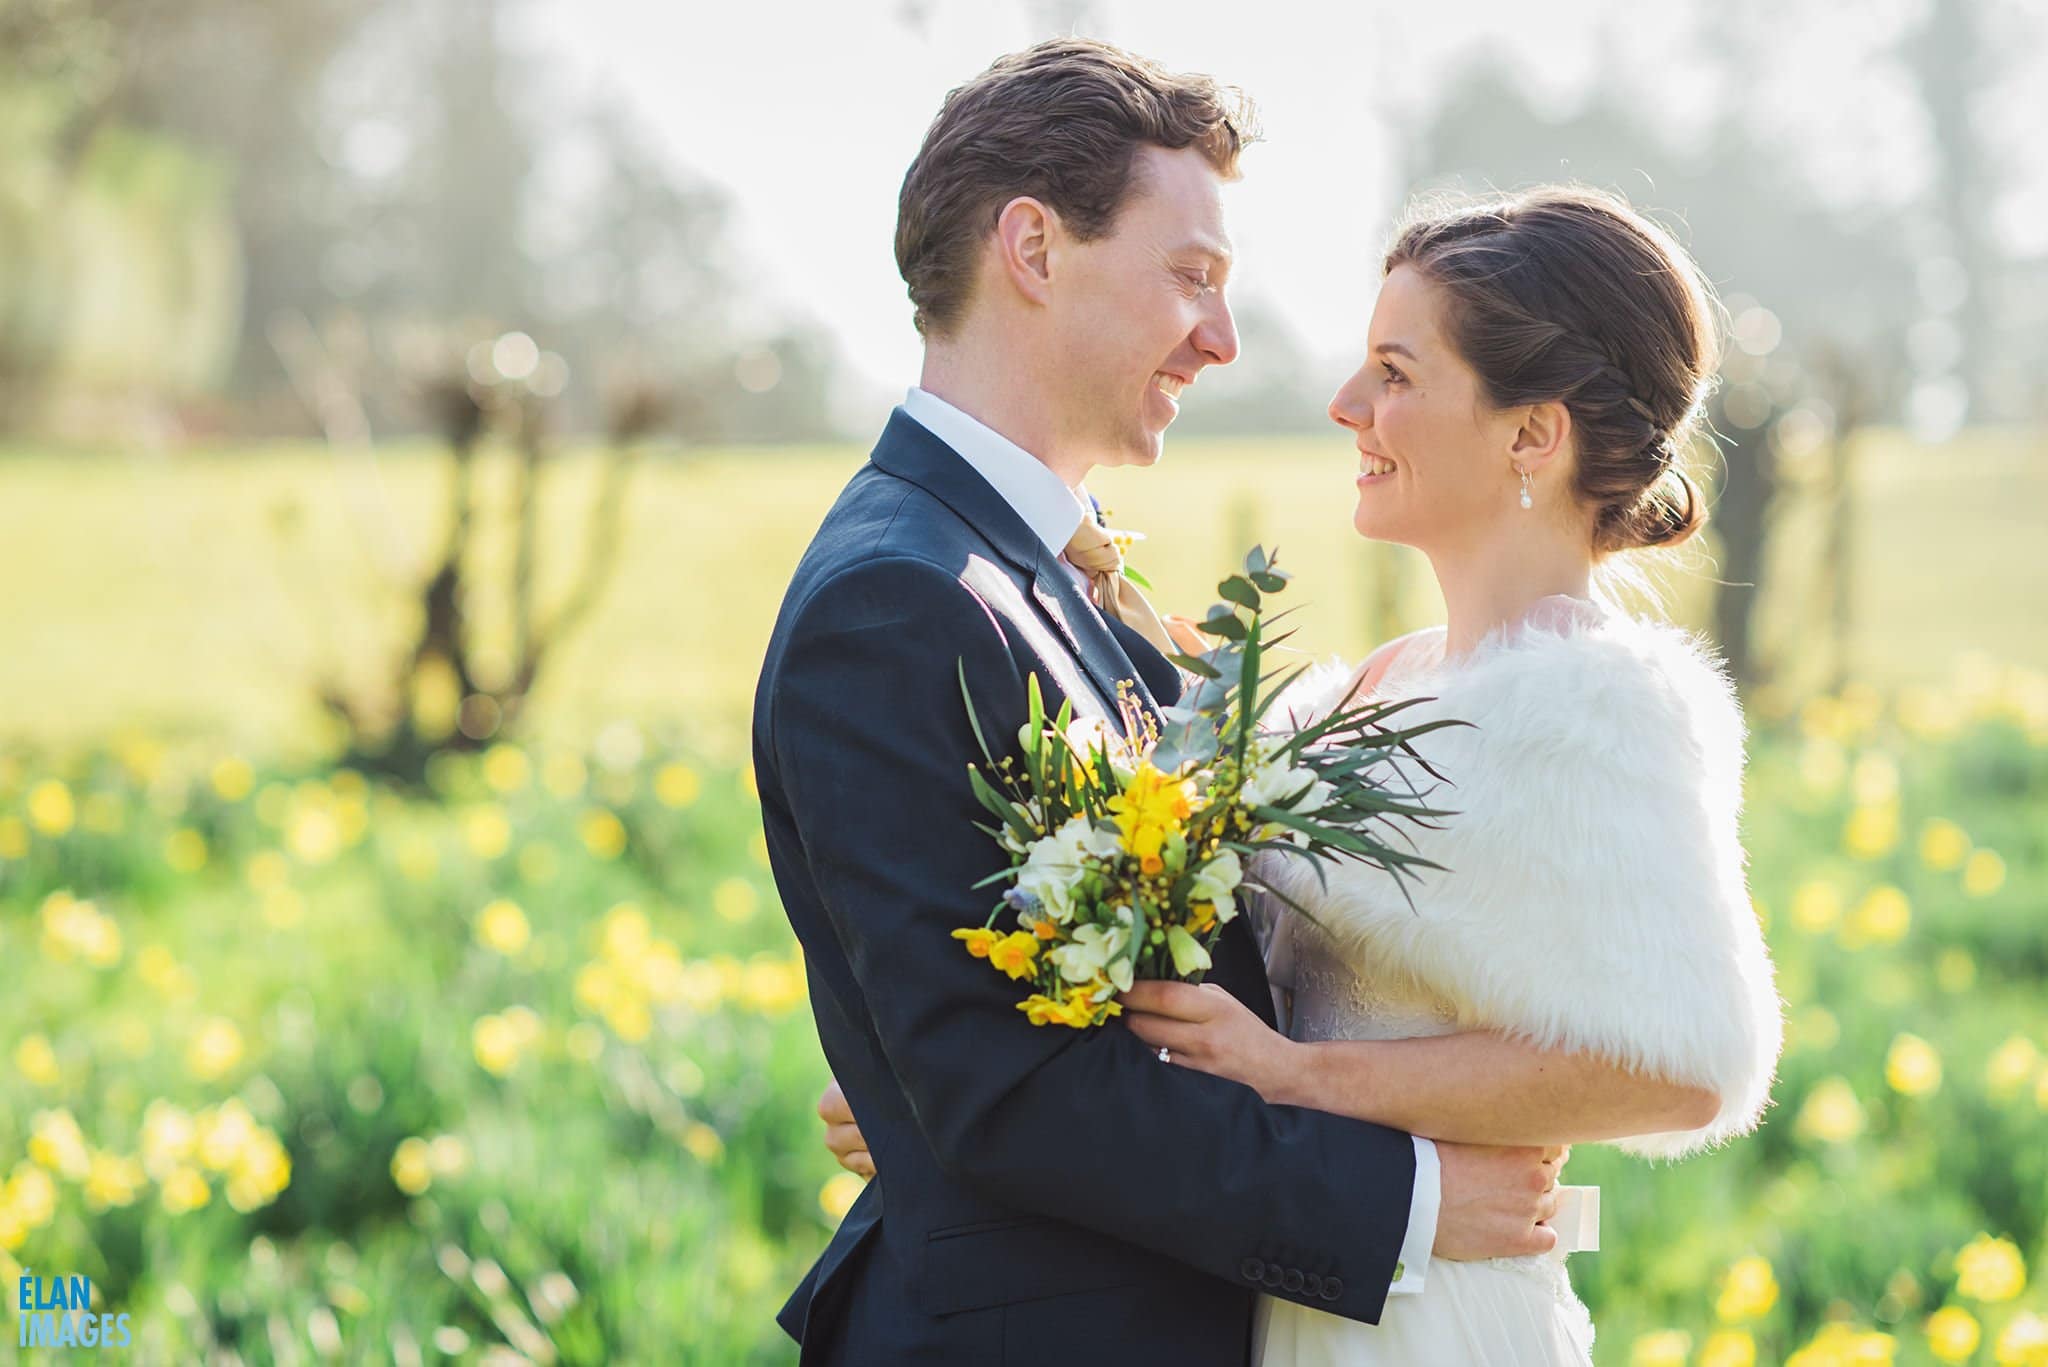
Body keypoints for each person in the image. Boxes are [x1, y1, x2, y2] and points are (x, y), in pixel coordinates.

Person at [817, 187, 1785, 1364]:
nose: (1345, 406)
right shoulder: (1375, 679)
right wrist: (948, 1093)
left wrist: (1299, 1076)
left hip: (1437, 1318)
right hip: (1294, 1284)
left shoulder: (1600, 708)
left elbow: (1675, 1072)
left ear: (1530, 434)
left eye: (1394, 372)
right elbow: (1224, 989)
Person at [756, 38, 1569, 1367]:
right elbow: (1009, 1096)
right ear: (1034, 247)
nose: (1222, 337)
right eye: (1191, 275)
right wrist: (1411, 1199)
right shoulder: (896, 601)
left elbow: (1016, 1023)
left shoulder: (1031, 568)